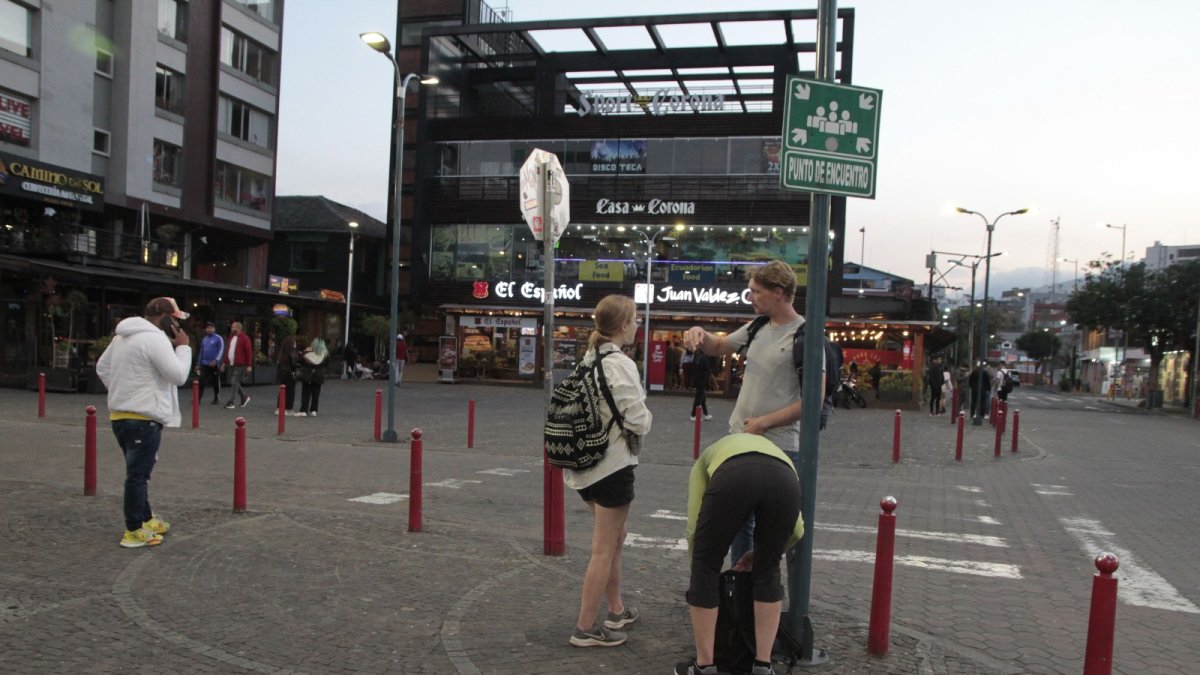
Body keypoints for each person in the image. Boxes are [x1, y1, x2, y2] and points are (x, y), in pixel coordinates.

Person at [682, 260, 809, 563]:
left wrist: (765, 422)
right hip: (739, 439)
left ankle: (760, 587)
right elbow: (720, 346)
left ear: (778, 293)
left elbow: (811, 402)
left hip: (778, 446)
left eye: (755, 291)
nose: (749, 297)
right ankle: (741, 588)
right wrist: (700, 332)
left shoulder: (803, 335)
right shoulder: (758, 325)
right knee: (739, 522)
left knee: (773, 525)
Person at [676, 433, 805, 675]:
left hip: (732, 477)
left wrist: (700, 572)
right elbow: (797, 531)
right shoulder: (780, 457)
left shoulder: (706, 458)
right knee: (769, 570)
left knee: (706, 566)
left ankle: (704, 667)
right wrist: (759, 555)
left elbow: (695, 529)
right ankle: (763, 666)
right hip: (784, 480)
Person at [566, 295, 653, 648]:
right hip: (612, 466)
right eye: (634, 319)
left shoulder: (587, 359)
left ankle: (616, 610)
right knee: (604, 548)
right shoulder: (619, 363)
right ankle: (585, 627)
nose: (638, 325)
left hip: (584, 467)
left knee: (615, 539)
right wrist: (648, 418)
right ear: (622, 325)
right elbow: (637, 419)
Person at [95, 297, 192, 548]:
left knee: (138, 472)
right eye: (176, 320)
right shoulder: (155, 339)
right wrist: (183, 347)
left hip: (120, 416)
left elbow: (102, 368)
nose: (178, 326)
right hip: (143, 417)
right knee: (138, 476)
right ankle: (134, 529)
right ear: (166, 318)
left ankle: (146, 519)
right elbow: (178, 375)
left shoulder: (121, 337)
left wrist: (121, 391)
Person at [221, 321, 253, 409]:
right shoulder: (231, 338)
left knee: (234, 381)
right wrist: (224, 362)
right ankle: (244, 397)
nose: (231, 329)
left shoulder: (245, 338)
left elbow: (248, 352)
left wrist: (249, 365)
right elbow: (228, 350)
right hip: (231, 363)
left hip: (240, 364)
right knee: (235, 382)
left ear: (238, 328)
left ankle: (231, 401)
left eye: (233, 327)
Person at [296, 338, 329, 417]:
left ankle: (304, 410)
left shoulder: (306, 353)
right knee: (316, 394)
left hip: (308, 375)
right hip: (319, 375)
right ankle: (314, 410)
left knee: (306, 393)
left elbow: (300, 361)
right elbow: (327, 364)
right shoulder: (325, 354)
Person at [196, 322, 224, 404]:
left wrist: (216, 360)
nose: (209, 329)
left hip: (214, 364)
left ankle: (216, 398)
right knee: (201, 380)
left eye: (211, 328)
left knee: (215, 381)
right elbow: (201, 351)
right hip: (205, 363)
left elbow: (221, 350)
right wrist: (198, 363)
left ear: (214, 329)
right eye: (208, 328)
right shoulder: (204, 339)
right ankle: (198, 399)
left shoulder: (218, 338)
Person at [274, 334, 299, 415]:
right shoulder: (292, 352)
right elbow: (294, 364)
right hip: (289, 372)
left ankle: (279, 407)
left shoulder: (281, 354)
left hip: (282, 372)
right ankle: (288, 408)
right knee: (290, 391)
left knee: (282, 390)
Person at [690, 352, 713, 421]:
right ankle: (693, 415)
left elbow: (693, 367)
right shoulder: (705, 358)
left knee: (702, 398)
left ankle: (706, 414)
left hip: (697, 379)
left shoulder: (696, 356)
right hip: (702, 379)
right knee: (698, 398)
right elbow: (708, 370)